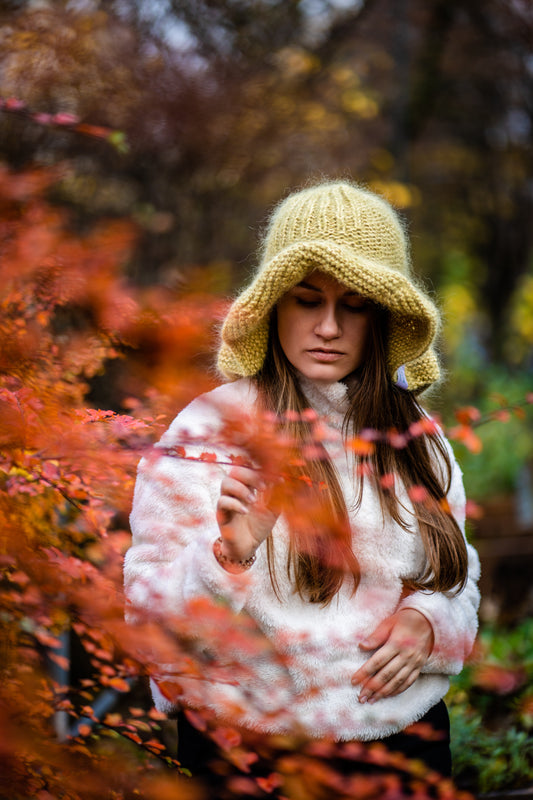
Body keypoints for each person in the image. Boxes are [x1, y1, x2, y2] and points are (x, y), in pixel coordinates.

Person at [124, 180, 480, 796]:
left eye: (356, 304)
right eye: (306, 300)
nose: (329, 327)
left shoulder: (418, 438)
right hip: (247, 753)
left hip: (406, 745)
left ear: (385, 316)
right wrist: (228, 558)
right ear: (271, 307)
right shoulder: (211, 429)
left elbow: (459, 569)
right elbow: (150, 619)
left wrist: (433, 619)